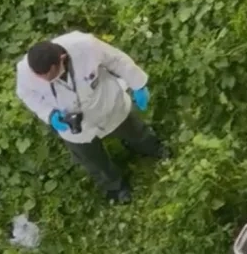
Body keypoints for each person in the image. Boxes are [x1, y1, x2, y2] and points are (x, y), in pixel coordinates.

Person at [15, 30, 170, 204]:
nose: (46, 81)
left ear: (62, 58)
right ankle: (115, 187)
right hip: (72, 125)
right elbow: (27, 94)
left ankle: (153, 148)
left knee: (134, 130)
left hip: (106, 104)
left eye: (50, 77)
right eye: (41, 78)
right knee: (92, 159)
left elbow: (117, 60)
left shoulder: (85, 46)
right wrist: (50, 115)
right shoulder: (25, 70)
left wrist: (138, 84)